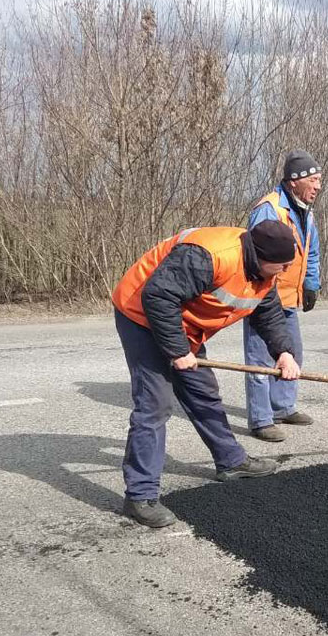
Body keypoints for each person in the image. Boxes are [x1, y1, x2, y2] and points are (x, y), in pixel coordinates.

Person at [111, 220, 302, 528]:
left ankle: (231, 461)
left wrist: (284, 353)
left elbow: (269, 314)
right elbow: (158, 296)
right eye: (281, 266)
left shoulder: (265, 273)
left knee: (203, 393)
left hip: (184, 326)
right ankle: (140, 496)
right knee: (155, 405)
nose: (283, 271)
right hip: (142, 316)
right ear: (261, 257)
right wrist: (177, 351)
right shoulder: (210, 256)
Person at [243, 150, 323, 442]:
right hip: (264, 298)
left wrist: (311, 284)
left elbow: (310, 251)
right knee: (260, 359)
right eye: (313, 180)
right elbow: (253, 258)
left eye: (319, 181)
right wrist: (261, 297)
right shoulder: (269, 210)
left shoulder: (305, 210)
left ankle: (282, 406)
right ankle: (261, 419)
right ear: (294, 181)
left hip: (289, 297)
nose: (318, 186)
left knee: (291, 353)